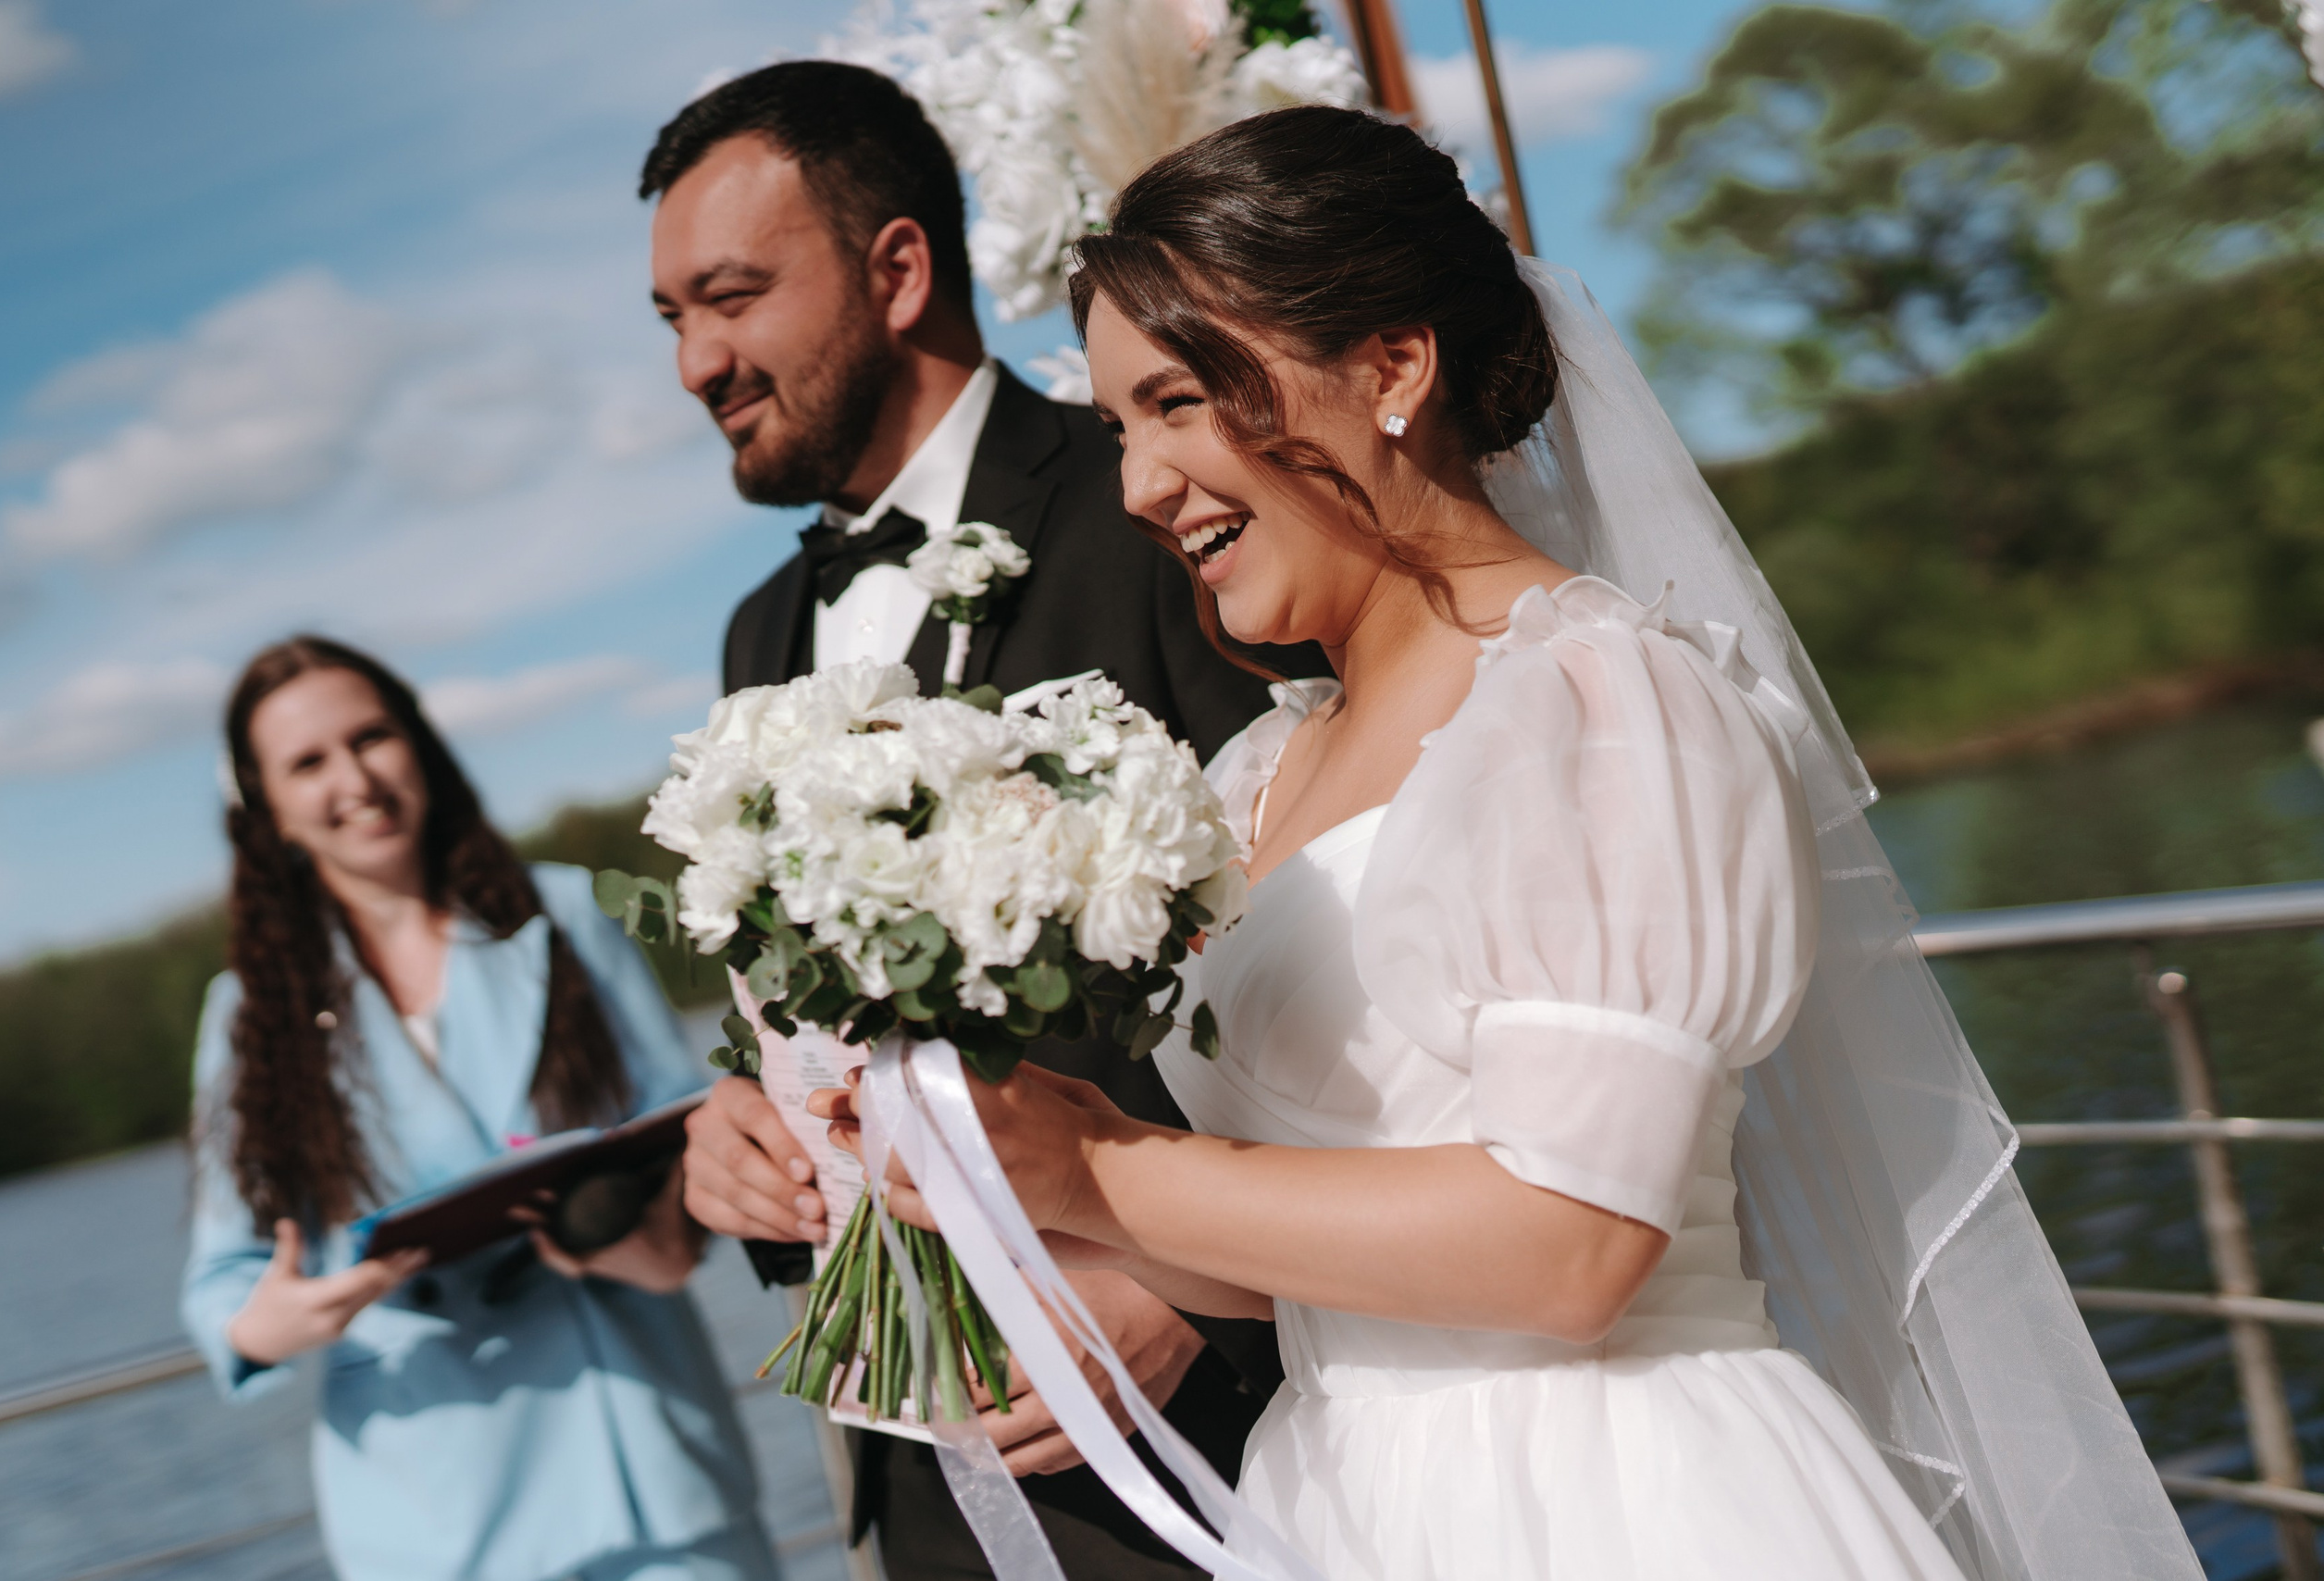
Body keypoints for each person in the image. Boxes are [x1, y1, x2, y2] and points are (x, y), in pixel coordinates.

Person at [814, 107, 2205, 1580]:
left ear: (1392, 368)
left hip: (1619, 1497)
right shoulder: (1253, 774)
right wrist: (999, 1160)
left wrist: (1103, 1166)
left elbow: (1572, 1244)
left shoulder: (1605, 703)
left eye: (1180, 403)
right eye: (1117, 429)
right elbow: (1296, 1257)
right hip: (1345, 1502)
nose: (1141, 487)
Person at [637, 60, 1320, 1581]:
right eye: (674, 318)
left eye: (732, 297)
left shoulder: (1156, 499)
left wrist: (1203, 1288)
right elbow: (823, 1019)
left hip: (1211, 1439)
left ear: (897, 270)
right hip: (936, 1483)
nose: (696, 362)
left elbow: (1333, 928)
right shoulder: (762, 634)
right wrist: (737, 1133)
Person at [180, 637, 779, 1581]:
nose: (355, 777)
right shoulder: (249, 1016)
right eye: (308, 761)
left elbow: (689, 1137)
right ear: (269, 812)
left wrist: (656, 1237)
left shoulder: (565, 916)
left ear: (418, 745)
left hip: (645, 1464)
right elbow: (225, 1283)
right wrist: (276, 1322)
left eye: (371, 736)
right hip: (435, 1511)